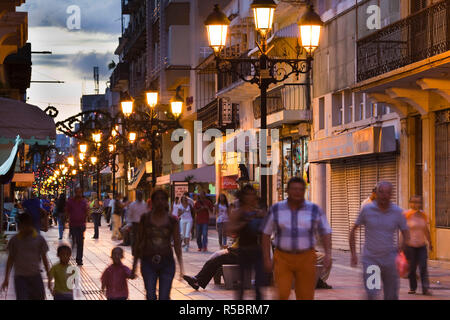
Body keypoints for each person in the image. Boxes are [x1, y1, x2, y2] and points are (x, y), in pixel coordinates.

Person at [262, 177, 332, 300]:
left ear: (304, 191)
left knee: (305, 296)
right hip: (283, 257)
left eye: (300, 189)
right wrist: (267, 258)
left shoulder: (314, 209)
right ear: (287, 190)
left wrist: (328, 254)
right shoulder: (276, 209)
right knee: (282, 294)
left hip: (306, 257)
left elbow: (325, 231)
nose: (297, 192)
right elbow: (265, 233)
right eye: (294, 189)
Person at [350, 181, 410, 300]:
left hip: (390, 260)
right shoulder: (367, 210)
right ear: (376, 193)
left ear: (391, 194)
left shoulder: (397, 212)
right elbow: (353, 230)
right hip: (371, 260)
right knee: (372, 294)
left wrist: (401, 250)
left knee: (392, 296)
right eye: (381, 192)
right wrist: (353, 254)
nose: (384, 195)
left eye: (387, 193)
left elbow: (406, 233)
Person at [131, 189, 184, 300]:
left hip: (167, 262)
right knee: (150, 295)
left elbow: (177, 243)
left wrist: (181, 266)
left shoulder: (172, 220)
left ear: (166, 201)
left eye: (163, 199)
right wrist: (134, 265)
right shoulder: (145, 218)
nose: (160, 201)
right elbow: (139, 241)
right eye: (157, 199)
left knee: (164, 296)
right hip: (148, 261)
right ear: (153, 201)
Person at [229, 185, 266, 300]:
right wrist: (245, 222)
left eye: (252, 194)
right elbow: (231, 231)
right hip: (244, 250)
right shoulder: (238, 212)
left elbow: (266, 233)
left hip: (257, 250)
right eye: (248, 194)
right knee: (241, 284)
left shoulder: (259, 213)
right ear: (243, 197)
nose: (250, 197)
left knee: (259, 285)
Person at [1, 212, 50, 300]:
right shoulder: (14, 241)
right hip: (20, 278)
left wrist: (49, 276)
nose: (24, 228)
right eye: (22, 225)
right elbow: (10, 260)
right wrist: (6, 278)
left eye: (26, 225)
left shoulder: (39, 239)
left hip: (35, 276)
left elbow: (44, 259)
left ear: (30, 224)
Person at [403, 195, 432, 295]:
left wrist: (430, 242)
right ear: (410, 203)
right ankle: (413, 287)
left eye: (419, 202)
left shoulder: (423, 215)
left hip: (421, 246)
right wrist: (401, 245)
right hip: (410, 246)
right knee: (412, 269)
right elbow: (402, 231)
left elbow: (426, 230)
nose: (417, 204)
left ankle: (425, 288)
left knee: (423, 267)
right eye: (414, 202)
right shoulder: (406, 215)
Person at [66, 187, 88, 266]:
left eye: (80, 192)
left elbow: (86, 211)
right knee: (74, 241)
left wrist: (85, 221)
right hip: (73, 224)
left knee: (80, 242)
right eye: (77, 192)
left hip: (81, 225)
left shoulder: (84, 202)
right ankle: (70, 256)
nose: (78, 194)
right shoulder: (70, 201)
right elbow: (67, 211)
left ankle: (79, 259)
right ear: (75, 192)